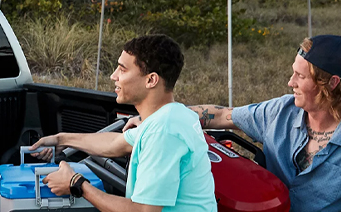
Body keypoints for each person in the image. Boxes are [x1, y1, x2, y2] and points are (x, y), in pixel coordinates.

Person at [125, 34, 341, 212]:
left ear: (331, 84)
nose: (291, 83)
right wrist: (156, 118)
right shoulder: (281, 111)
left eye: (300, 77)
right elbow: (221, 115)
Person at [30, 34, 216, 212]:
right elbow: (114, 144)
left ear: (151, 80)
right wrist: (61, 139)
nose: (113, 76)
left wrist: (76, 183)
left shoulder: (163, 131)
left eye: (123, 69)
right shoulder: (172, 114)